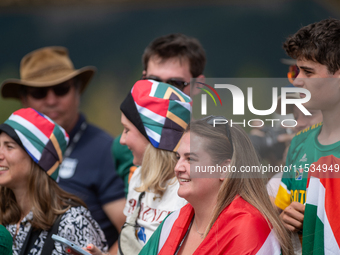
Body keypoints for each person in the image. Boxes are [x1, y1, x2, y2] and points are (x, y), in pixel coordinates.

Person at [0, 46, 126, 252]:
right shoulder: (8, 206)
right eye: (39, 92)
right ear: (23, 99)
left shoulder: (106, 149)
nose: (51, 100)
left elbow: (130, 232)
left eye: (61, 89)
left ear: (78, 92)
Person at [139, 116, 293, 255]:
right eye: (178, 157)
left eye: (190, 159)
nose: (177, 167)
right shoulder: (173, 221)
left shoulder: (249, 228)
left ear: (224, 169)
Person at [76, 79, 192, 255]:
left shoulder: (186, 191)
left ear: (152, 139)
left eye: (127, 130)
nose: (122, 140)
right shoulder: (138, 177)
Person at [0, 108, 107, 254]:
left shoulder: (72, 222)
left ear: (36, 159)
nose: (0, 154)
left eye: (9, 147)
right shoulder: (5, 216)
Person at [274, 18, 340, 252]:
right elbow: (281, 212)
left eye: (308, 72)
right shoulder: (299, 143)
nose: (297, 80)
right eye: (297, 69)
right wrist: (285, 219)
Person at [112, 33, 206, 196]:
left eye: (175, 84)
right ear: (143, 78)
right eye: (153, 82)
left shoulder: (211, 150)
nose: (161, 93)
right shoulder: (123, 148)